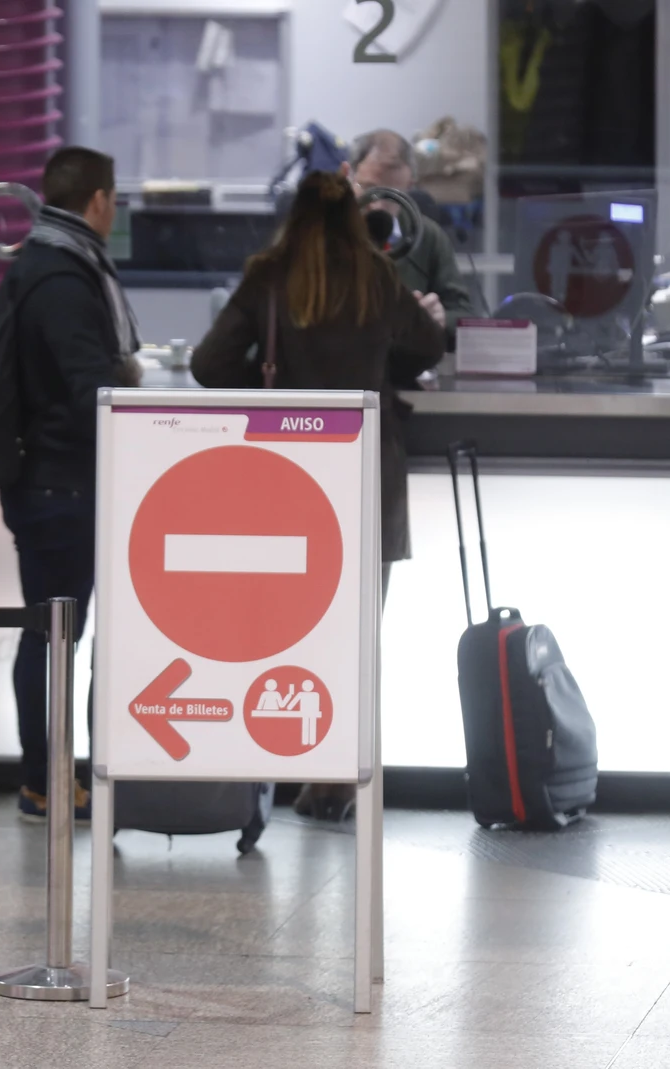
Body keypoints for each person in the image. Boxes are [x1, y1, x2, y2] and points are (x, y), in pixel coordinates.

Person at [192, 170, 444, 819]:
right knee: (358, 635)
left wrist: (272, 393)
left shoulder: (269, 275)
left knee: (287, 634)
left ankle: (273, 771)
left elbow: (208, 363)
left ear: (294, 216)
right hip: (364, 472)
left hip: (289, 478)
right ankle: (341, 777)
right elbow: (427, 343)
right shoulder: (377, 276)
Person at [1, 146, 142, 821]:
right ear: (98, 200)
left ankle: (54, 776)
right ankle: (47, 779)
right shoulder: (63, 275)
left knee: (54, 634)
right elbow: (89, 388)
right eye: (113, 198)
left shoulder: (41, 260)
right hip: (63, 485)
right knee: (57, 636)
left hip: (48, 480)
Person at [345, 129, 479, 337]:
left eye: (391, 195)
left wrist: (440, 318)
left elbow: (466, 316)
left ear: (409, 187)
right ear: (348, 176)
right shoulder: (322, 233)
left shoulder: (427, 237)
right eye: (369, 189)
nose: (378, 206)